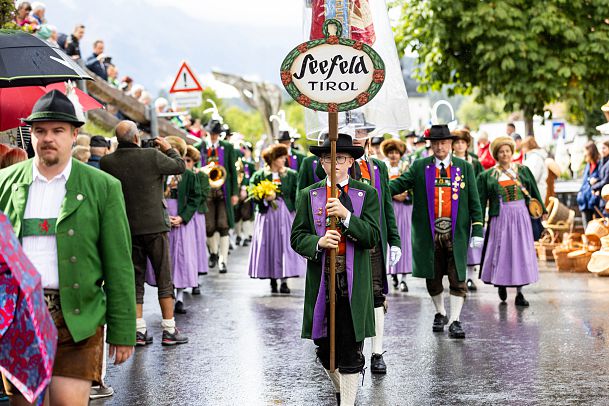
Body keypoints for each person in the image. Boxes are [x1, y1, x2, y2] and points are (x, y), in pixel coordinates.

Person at [0, 90, 135, 405]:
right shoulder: (5, 182)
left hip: (79, 316)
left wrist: (123, 328)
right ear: (31, 134)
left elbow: (119, 262)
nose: (48, 138)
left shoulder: (103, 187)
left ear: (74, 134)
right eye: (40, 131)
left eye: (58, 130)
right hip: (20, 318)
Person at [291, 133, 380, 406]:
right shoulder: (310, 194)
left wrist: (346, 216)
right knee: (324, 348)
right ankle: (344, 391)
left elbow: (372, 237)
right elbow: (297, 237)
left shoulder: (366, 194)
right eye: (328, 158)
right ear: (321, 161)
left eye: (340, 158)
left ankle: (348, 402)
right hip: (322, 280)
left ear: (351, 161)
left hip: (353, 281)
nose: (334, 164)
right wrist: (318, 242)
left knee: (350, 345)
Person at [390, 124, 484, 339]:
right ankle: (440, 313)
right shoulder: (420, 166)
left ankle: (455, 320)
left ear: (450, 144)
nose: (440, 146)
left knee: (457, 276)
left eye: (444, 142)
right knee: (432, 277)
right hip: (428, 234)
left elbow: (474, 201)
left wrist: (477, 228)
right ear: (430, 145)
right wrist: (373, 189)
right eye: (436, 143)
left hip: (455, 232)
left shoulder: (464, 167)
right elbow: (400, 184)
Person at [100, 120, 189, 346]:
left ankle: (139, 331)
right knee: (163, 277)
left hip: (128, 227)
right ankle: (169, 330)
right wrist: (167, 147)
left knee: (135, 278)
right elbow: (179, 166)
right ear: (137, 138)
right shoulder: (151, 155)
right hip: (156, 226)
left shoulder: (107, 161)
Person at [349, 114, 401, 374]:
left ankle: (377, 352)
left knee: (377, 295)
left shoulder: (379, 167)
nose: (359, 136)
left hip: (374, 239)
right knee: (351, 293)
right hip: (349, 239)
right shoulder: (342, 163)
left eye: (362, 132)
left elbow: (387, 206)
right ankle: (355, 349)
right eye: (354, 132)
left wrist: (395, 239)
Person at [477, 136, 545, 306]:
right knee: (502, 252)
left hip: (521, 216)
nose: (505, 154)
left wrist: (540, 210)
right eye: (501, 152)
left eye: (507, 151)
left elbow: (534, 191)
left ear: (512, 152)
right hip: (500, 216)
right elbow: (480, 200)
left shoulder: (522, 170)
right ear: (496, 155)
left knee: (520, 252)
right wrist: (477, 220)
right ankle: (501, 283)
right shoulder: (488, 175)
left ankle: (520, 292)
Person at [248, 144, 304, 293]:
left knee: (284, 245)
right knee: (269, 244)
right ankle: (272, 278)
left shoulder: (291, 174)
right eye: (281, 157)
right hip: (266, 215)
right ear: (272, 159)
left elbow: (296, 195)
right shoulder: (260, 175)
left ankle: (284, 280)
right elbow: (251, 191)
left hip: (285, 214)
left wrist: (297, 213)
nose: (284, 160)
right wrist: (264, 198)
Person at [196, 119, 239, 274]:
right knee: (209, 226)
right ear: (207, 133)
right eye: (212, 134)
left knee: (223, 225)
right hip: (206, 192)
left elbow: (233, 172)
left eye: (216, 134)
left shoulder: (227, 147)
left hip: (223, 192)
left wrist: (234, 192)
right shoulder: (199, 147)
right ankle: (213, 253)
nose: (214, 136)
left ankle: (223, 260)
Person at [451, 129, 484, 291]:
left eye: (462, 142)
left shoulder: (475, 162)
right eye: (456, 142)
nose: (459, 145)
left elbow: (482, 182)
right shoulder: (448, 161)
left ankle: (470, 277)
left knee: (471, 240)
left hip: (472, 203)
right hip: (454, 205)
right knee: (457, 240)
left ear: (467, 144)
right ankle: (458, 274)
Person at [380, 138, 412, 292]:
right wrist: (392, 195)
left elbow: (412, 186)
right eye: (391, 153)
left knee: (404, 239)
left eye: (396, 153)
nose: (393, 156)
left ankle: (404, 277)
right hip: (390, 206)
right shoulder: (382, 167)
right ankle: (392, 273)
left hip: (404, 207)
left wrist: (405, 195)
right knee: (390, 237)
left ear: (400, 154)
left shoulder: (406, 167)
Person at [185, 145, 210, 294]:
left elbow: (203, 194)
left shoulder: (200, 175)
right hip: (184, 213)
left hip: (197, 214)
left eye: (188, 160)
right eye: (184, 159)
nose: (186, 163)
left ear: (194, 161)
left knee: (197, 244)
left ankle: (196, 280)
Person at [234, 142, 256, 247]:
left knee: (246, 214)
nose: (245, 151)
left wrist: (247, 190)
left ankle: (247, 236)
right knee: (237, 214)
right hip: (237, 192)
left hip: (247, 193)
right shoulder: (237, 163)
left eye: (247, 149)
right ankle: (238, 235)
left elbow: (252, 179)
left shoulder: (250, 165)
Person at [577, 141, 601, 229]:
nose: (584, 154)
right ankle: (588, 242)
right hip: (585, 200)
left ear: (590, 151)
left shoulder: (600, 164)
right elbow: (584, 182)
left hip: (595, 200)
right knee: (587, 229)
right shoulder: (588, 165)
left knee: (598, 227)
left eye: (585, 151)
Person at [521, 136, 548, 202]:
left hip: (536, 191)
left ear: (528, 146)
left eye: (523, 147)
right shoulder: (532, 157)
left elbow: (534, 176)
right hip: (535, 191)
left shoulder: (535, 158)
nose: (522, 150)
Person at [592, 141, 609, 214]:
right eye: (601, 148)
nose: (602, 150)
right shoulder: (602, 161)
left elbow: (606, 180)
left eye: (604, 148)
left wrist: (594, 187)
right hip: (602, 197)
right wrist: (595, 181)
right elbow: (601, 178)